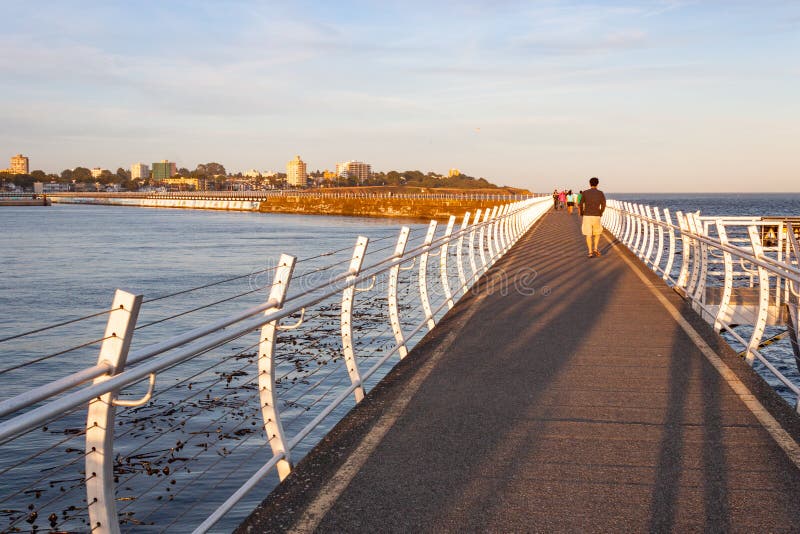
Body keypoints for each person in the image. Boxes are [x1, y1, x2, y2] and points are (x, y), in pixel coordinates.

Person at [579, 177, 606, 257]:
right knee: (597, 233)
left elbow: (581, 204)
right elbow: (603, 204)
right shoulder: (600, 193)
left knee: (588, 234)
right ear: (597, 184)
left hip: (587, 215)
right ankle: (595, 248)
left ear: (589, 183)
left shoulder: (585, 193)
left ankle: (590, 252)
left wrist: (582, 212)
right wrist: (601, 212)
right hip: (596, 215)